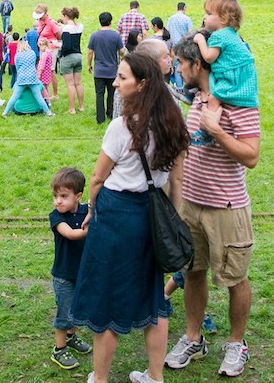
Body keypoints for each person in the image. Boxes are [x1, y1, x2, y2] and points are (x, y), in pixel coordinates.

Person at [71, 52, 190, 383]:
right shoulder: (173, 123)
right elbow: (177, 181)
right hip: (153, 218)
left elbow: (97, 178)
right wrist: (173, 223)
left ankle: (100, 377)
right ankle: (155, 376)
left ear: (143, 84)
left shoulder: (121, 127)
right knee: (154, 298)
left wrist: (92, 210)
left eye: (122, 77)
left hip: (116, 218)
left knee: (108, 300)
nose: (115, 82)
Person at [168, 34, 261, 378]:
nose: (178, 68)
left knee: (236, 278)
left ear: (198, 64)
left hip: (227, 207)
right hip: (192, 204)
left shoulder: (238, 102)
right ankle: (194, 338)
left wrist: (217, 131)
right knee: (193, 272)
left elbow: (252, 156)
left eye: (181, 63)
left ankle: (237, 344)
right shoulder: (198, 99)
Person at [192, 0, 259, 142]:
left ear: (223, 19)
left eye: (209, 14)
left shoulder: (218, 36)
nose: (205, 17)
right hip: (241, 74)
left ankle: (207, 130)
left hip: (232, 77)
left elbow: (209, 57)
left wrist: (200, 40)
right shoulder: (230, 33)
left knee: (214, 98)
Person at [48, 167, 92, 370]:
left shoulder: (86, 212)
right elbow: (71, 234)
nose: (58, 201)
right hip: (64, 276)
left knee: (77, 309)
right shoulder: (56, 217)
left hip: (82, 273)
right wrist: (90, 230)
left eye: (64, 196)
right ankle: (59, 348)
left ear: (78, 196)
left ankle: (71, 337)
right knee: (64, 313)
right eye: (55, 196)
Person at [87, 12, 124, 125]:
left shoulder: (94, 35)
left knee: (99, 94)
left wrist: (89, 64)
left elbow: (89, 52)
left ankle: (100, 118)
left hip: (99, 71)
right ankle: (111, 113)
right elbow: (122, 51)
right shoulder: (115, 36)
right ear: (111, 21)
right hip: (112, 70)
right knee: (112, 94)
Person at [3, 39, 54, 117]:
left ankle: (5, 113)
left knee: (14, 96)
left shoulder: (17, 55)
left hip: (22, 79)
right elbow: (33, 64)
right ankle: (48, 112)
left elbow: (17, 67)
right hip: (32, 78)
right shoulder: (32, 53)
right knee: (39, 97)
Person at [59, 7, 84, 114]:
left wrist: (60, 49)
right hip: (78, 55)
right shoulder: (80, 26)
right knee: (78, 83)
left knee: (70, 84)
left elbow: (66, 46)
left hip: (68, 57)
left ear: (66, 16)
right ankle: (81, 106)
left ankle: (72, 108)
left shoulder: (66, 28)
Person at [33, 4, 61, 98]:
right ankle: (44, 91)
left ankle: (55, 93)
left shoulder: (51, 23)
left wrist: (51, 42)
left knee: (51, 70)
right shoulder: (40, 22)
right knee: (43, 69)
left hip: (51, 50)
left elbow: (59, 35)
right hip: (42, 48)